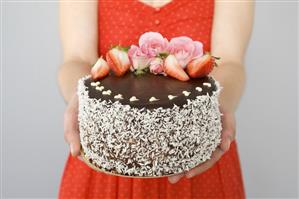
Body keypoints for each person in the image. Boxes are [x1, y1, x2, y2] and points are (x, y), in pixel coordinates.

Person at [57, 0, 254, 198]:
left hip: (198, 154)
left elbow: (230, 62)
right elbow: (78, 58)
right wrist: (78, 97)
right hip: (107, 155)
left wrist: (217, 106)